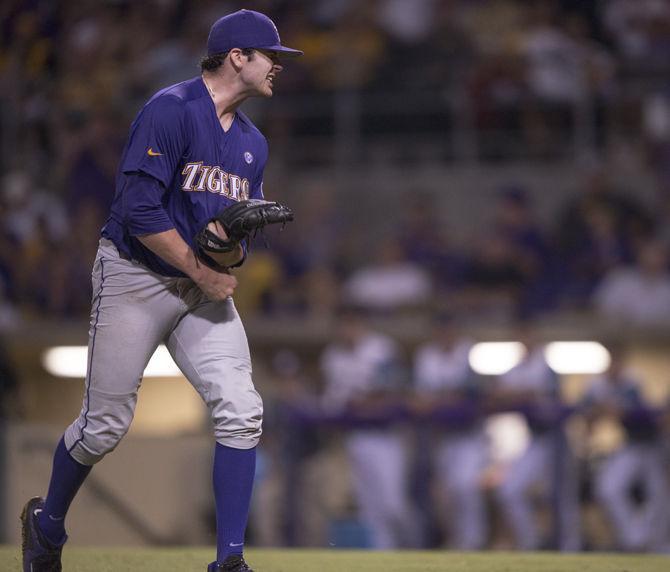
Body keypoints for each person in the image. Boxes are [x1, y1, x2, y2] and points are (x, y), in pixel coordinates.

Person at [20, 10, 302, 572]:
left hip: (197, 282)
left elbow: (234, 242)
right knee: (103, 427)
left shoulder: (253, 145)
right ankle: (47, 527)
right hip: (134, 273)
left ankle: (229, 562)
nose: (278, 66)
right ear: (237, 57)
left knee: (242, 410)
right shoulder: (170, 110)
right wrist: (205, 268)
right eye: (270, 55)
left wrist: (226, 244)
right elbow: (138, 209)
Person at [320, 306, 419, 549]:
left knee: (393, 504)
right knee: (369, 507)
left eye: (352, 324)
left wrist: (365, 401)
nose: (347, 331)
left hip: (387, 437)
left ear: (362, 325)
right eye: (343, 325)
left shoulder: (382, 348)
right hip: (356, 436)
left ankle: (418, 546)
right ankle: (385, 557)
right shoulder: (332, 356)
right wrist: (356, 403)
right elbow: (332, 401)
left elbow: (395, 390)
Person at [412, 315, 488, 550]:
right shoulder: (426, 355)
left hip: (470, 435)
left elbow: (475, 392)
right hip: (441, 437)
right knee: (445, 495)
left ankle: (474, 544)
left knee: (465, 488)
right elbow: (420, 400)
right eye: (441, 330)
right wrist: (447, 398)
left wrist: (441, 399)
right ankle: (458, 542)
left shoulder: (469, 351)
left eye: (449, 329)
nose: (445, 335)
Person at [583, 346, 669, 551]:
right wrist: (593, 419)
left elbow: (632, 412)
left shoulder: (633, 381)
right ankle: (635, 538)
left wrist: (607, 410)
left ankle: (659, 544)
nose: (613, 367)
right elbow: (587, 411)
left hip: (655, 444)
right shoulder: (599, 383)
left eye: (617, 362)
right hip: (631, 445)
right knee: (608, 488)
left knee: (660, 496)